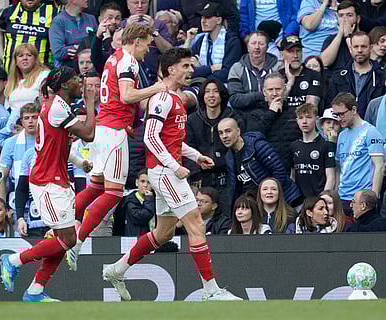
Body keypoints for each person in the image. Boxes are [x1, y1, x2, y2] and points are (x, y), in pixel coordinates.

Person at [102, 48, 242, 302]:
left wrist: (195, 155)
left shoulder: (175, 98)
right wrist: (175, 166)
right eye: (186, 66)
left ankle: (116, 269)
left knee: (164, 233)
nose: (190, 71)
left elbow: (172, 141)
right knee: (197, 225)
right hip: (165, 172)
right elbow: (150, 137)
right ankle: (210, 291)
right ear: (170, 70)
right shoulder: (162, 98)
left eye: (191, 66)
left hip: (166, 170)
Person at [68, 23, 167, 271]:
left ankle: (65, 226)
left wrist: (126, 120)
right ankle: (77, 242)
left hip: (104, 128)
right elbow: (125, 96)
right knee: (113, 193)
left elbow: (115, 99)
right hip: (113, 133)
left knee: (95, 188)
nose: (147, 50)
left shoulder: (113, 58)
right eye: (146, 44)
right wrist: (156, 87)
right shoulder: (129, 62)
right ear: (137, 41)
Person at [0, 66, 97, 302]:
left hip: (57, 179)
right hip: (47, 182)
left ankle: (35, 291)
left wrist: (80, 162)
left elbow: (57, 144)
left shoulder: (55, 105)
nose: (80, 82)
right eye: (75, 79)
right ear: (63, 84)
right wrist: (90, 102)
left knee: (62, 239)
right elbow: (89, 134)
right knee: (67, 239)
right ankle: (13, 260)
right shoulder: (58, 107)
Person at [186, 79, 243, 220]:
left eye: (216, 91)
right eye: (207, 92)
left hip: (227, 178)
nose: (211, 95)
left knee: (226, 217)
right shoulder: (193, 120)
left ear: (222, 95)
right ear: (202, 96)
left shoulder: (233, 117)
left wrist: (220, 163)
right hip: (200, 179)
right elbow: (187, 149)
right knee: (198, 219)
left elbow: (239, 147)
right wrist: (196, 171)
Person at [218, 117, 301, 213]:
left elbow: (279, 171)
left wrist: (269, 196)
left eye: (228, 131)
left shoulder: (256, 145)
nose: (224, 136)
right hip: (257, 206)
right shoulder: (229, 156)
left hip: (284, 200)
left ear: (238, 131)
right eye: (221, 133)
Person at [332, 92, 385, 216]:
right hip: (342, 197)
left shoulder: (371, 132)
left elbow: (380, 166)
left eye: (342, 114)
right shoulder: (342, 135)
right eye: (336, 115)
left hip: (362, 199)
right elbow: (339, 167)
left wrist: (373, 197)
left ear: (354, 109)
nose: (339, 118)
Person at [0, 44, 50, 146]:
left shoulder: (43, 75)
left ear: (35, 58)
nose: (24, 58)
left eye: (29, 55)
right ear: (15, 61)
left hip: (35, 125)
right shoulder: (12, 81)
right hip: (14, 126)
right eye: (20, 56)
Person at [246, 72, 302, 171]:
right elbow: (253, 137)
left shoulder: (295, 112)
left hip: (294, 169)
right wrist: (271, 113)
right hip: (266, 169)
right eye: (270, 90)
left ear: (285, 90)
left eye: (278, 89)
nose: (274, 93)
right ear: (264, 92)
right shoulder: (255, 114)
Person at [325, 31, 386, 118]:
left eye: (363, 46)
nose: (359, 50)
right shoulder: (338, 76)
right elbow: (330, 106)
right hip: (343, 127)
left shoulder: (382, 76)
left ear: (370, 48)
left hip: (373, 127)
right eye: (356, 47)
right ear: (350, 49)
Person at [184, 2, 241, 84]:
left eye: (207, 17)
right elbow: (186, 69)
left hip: (224, 87)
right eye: (202, 17)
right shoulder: (201, 40)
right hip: (201, 86)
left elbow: (226, 73)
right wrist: (211, 68)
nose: (203, 21)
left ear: (219, 20)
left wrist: (201, 71)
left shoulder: (231, 41)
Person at [0, 0, 58, 71]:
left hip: (40, 75)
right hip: (11, 74)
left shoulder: (54, 13)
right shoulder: (10, 11)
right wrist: (1, 56)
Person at [288, 103, 336, 198]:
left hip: (318, 200)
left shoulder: (326, 145)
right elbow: (292, 176)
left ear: (316, 119)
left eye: (309, 117)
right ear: (297, 121)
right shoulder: (294, 146)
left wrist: (323, 199)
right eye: (301, 118)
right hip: (299, 201)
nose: (304, 121)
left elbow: (331, 177)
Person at [121, 0, 173, 84]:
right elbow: (116, 49)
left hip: (154, 75)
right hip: (127, 72)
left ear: (149, 4)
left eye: (144, 2)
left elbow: (168, 51)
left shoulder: (159, 24)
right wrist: (127, 28)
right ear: (128, 5)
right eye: (135, 3)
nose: (140, 6)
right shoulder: (122, 24)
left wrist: (154, 31)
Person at [227, 31, 281, 113]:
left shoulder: (278, 66)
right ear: (247, 47)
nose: (257, 47)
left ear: (267, 47)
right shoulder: (237, 68)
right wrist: (262, 96)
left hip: (274, 112)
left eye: (261, 44)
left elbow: (282, 96)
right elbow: (234, 99)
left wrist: (249, 98)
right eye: (253, 43)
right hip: (245, 116)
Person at [0, 103, 39, 203]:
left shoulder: (49, 140)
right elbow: (1, 177)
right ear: (21, 122)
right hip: (18, 197)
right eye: (27, 118)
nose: (31, 121)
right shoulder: (10, 143)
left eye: (34, 117)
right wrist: (2, 205)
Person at [49, 0, 97, 68]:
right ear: (73, 0)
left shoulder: (91, 19)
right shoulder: (58, 21)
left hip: (91, 68)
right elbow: (58, 52)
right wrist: (83, 48)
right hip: (68, 71)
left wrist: (76, 48)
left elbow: (97, 45)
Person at [279, 35, 322, 109]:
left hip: (304, 119)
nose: (295, 56)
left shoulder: (313, 75)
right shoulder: (278, 76)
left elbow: (311, 107)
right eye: (291, 52)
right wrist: (290, 83)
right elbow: (276, 105)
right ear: (282, 54)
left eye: (298, 51)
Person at [321, 1, 360, 73]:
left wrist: (348, 36)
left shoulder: (365, 38)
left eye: (349, 15)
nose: (345, 19)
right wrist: (340, 34)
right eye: (341, 16)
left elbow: (359, 58)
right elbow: (324, 62)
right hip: (335, 80)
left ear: (358, 19)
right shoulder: (330, 39)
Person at [121, 168, 155, 237]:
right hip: (136, 240)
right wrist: (148, 199)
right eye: (142, 181)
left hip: (154, 239)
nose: (145, 185)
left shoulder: (155, 199)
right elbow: (142, 218)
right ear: (136, 182)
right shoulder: (130, 201)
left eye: (148, 182)